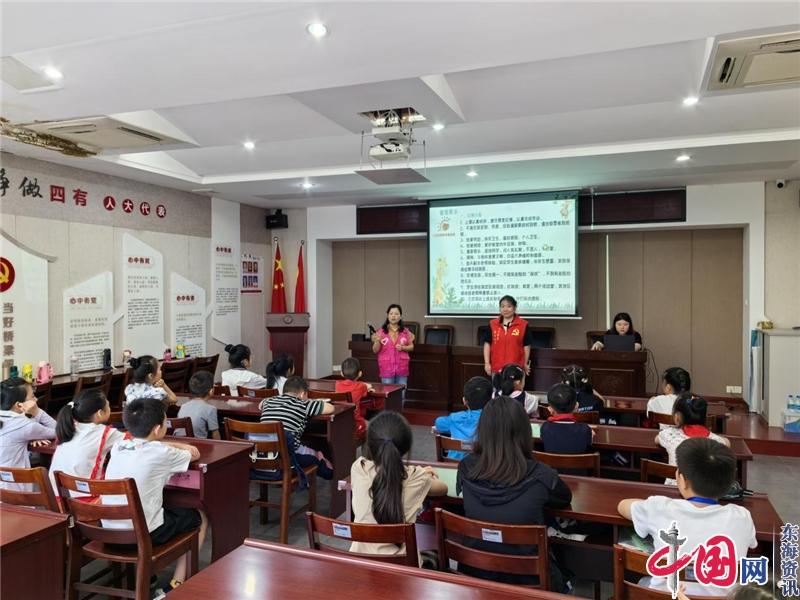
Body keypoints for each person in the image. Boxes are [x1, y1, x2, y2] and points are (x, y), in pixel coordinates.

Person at [456, 396, 572, 589]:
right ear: (524, 432)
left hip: (475, 576)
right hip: (530, 582)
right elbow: (563, 498)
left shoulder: (467, 468)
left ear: (483, 430)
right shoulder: (541, 474)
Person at [618, 437, 756, 596]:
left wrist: (648, 504)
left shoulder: (659, 507)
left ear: (682, 481)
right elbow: (752, 545)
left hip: (666, 597)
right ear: (728, 485)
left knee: (644, 580)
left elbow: (622, 506)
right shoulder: (742, 517)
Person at [103, 398, 207, 590]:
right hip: (141, 536)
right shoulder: (162, 453)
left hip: (109, 532)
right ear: (158, 429)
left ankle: (148, 577)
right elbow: (195, 454)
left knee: (158, 508)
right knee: (199, 516)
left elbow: (145, 444)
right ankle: (177, 584)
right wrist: (181, 445)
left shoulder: (118, 448)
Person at [350, 411, 447, 558]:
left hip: (360, 562)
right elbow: (443, 489)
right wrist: (421, 473)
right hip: (403, 568)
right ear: (406, 447)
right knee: (435, 555)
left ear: (369, 443)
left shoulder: (358, 469)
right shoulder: (417, 478)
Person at [49, 388, 125, 497]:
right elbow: (139, 439)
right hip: (86, 500)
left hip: (59, 498)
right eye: (108, 406)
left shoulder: (69, 427)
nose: (110, 408)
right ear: (99, 413)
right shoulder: (105, 433)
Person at [258, 376, 335, 479]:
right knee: (317, 456)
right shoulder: (303, 404)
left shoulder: (268, 401)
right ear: (303, 394)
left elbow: (260, 404)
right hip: (288, 457)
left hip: (264, 455)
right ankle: (330, 474)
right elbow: (330, 408)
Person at [656, 392, 730, 485]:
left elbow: (657, 439)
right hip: (704, 492)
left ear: (677, 417)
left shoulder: (669, 435)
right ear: (705, 417)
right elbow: (727, 443)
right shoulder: (716, 441)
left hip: (673, 490)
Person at [0, 377, 56, 470]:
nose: (36, 399)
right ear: (19, 405)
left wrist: (32, 436)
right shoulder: (25, 426)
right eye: (33, 396)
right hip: (15, 482)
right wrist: (37, 412)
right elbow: (60, 430)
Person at [434, 376, 493, 460]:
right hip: (483, 468)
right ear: (491, 400)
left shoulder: (455, 418)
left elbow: (438, 423)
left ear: (464, 401)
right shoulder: (494, 419)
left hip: (454, 467)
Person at [482, 295, 533, 376]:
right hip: (496, 368)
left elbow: (526, 346)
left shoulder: (523, 325)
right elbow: (487, 344)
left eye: (509, 306)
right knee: (497, 389)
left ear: (515, 308)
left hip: (515, 369)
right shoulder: (493, 324)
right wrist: (487, 363)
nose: (505, 309)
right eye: (502, 306)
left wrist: (524, 364)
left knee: (515, 389)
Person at [540, 383, 594, 455]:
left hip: (550, 466)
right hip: (578, 466)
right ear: (576, 406)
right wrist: (590, 432)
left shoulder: (545, 427)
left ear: (550, 409)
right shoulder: (585, 430)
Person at [371, 304, 415, 390]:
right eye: (391, 314)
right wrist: (377, 341)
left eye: (396, 314)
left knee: (401, 394)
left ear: (400, 316)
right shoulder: (381, 332)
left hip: (402, 368)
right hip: (386, 368)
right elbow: (375, 350)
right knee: (388, 394)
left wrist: (403, 348)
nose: (393, 316)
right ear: (387, 316)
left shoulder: (406, 332)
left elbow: (412, 347)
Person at [335, 357, 375, 438]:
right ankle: (366, 450)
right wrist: (368, 386)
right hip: (356, 424)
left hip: (339, 424)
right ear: (360, 373)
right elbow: (368, 387)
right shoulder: (360, 386)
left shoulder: (337, 384)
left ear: (342, 373)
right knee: (372, 426)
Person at [177, 371, 220, 439]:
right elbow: (215, 434)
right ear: (211, 391)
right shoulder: (210, 409)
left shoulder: (183, 406)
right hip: (198, 445)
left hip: (179, 442)